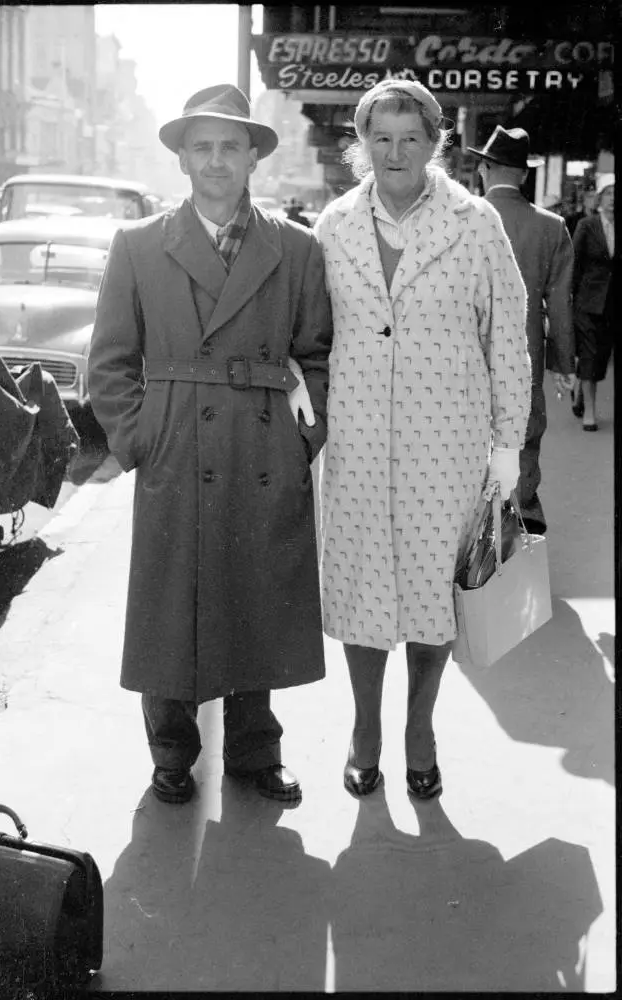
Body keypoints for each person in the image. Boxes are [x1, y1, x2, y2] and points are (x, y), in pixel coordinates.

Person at [88, 83, 333, 806]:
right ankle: (171, 753)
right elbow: (108, 362)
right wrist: (142, 440)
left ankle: (255, 752)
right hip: (176, 451)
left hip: (263, 454)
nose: (217, 161)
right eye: (203, 147)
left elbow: (317, 354)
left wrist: (301, 442)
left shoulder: (295, 247)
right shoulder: (138, 245)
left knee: (258, 598)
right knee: (170, 604)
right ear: (183, 160)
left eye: (231, 146)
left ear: (254, 156)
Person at [313, 79, 531, 800]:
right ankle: (365, 729)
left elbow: (508, 338)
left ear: (435, 144)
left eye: (411, 138)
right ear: (362, 145)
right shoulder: (334, 224)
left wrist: (508, 450)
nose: (395, 152)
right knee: (361, 588)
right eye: (382, 138)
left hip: (450, 444)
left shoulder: (475, 224)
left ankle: (421, 727)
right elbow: (310, 334)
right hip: (358, 443)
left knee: (438, 593)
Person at [470, 124, 575, 534]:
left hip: (463, 355)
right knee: (523, 443)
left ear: (483, 168)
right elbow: (561, 306)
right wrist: (564, 363)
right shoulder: (551, 227)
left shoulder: (460, 218)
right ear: (525, 174)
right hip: (525, 357)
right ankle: (516, 537)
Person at [570, 174, 614, 431]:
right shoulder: (588, 225)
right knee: (589, 353)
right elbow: (574, 263)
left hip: (611, 305)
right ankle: (591, 413)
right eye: (608, 194)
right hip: (588, 302)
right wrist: (569, 298)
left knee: (601, 357)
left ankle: (580, 387)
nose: (612, 200)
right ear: (600, 198)